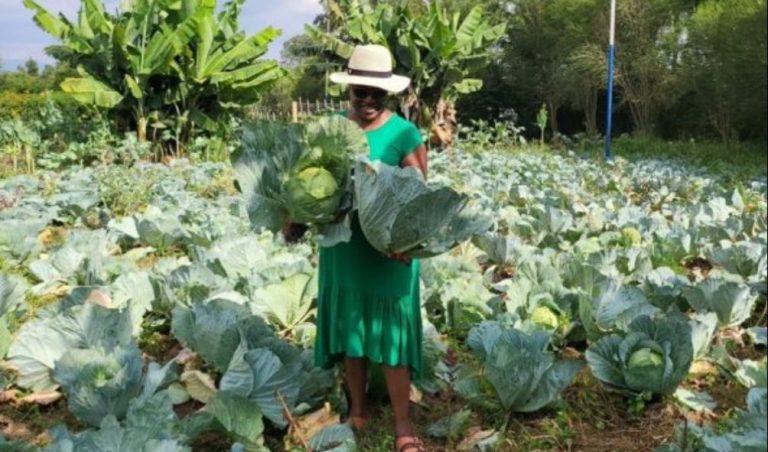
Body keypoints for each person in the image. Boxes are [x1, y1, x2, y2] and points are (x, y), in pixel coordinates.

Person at [286, 44, 428, 452]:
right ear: (349, 90)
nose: (367, 101)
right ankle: (357, 411)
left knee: (392, 334)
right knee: (352, 328)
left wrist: (406, 241)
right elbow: (307, 175)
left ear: (389, 94)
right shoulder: (331, 127)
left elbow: (418, 194)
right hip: (344, 247)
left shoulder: (404, 133)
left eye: (375, 94)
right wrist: (295, 217)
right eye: (359, 92)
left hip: (388, 252)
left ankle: (404, 427)